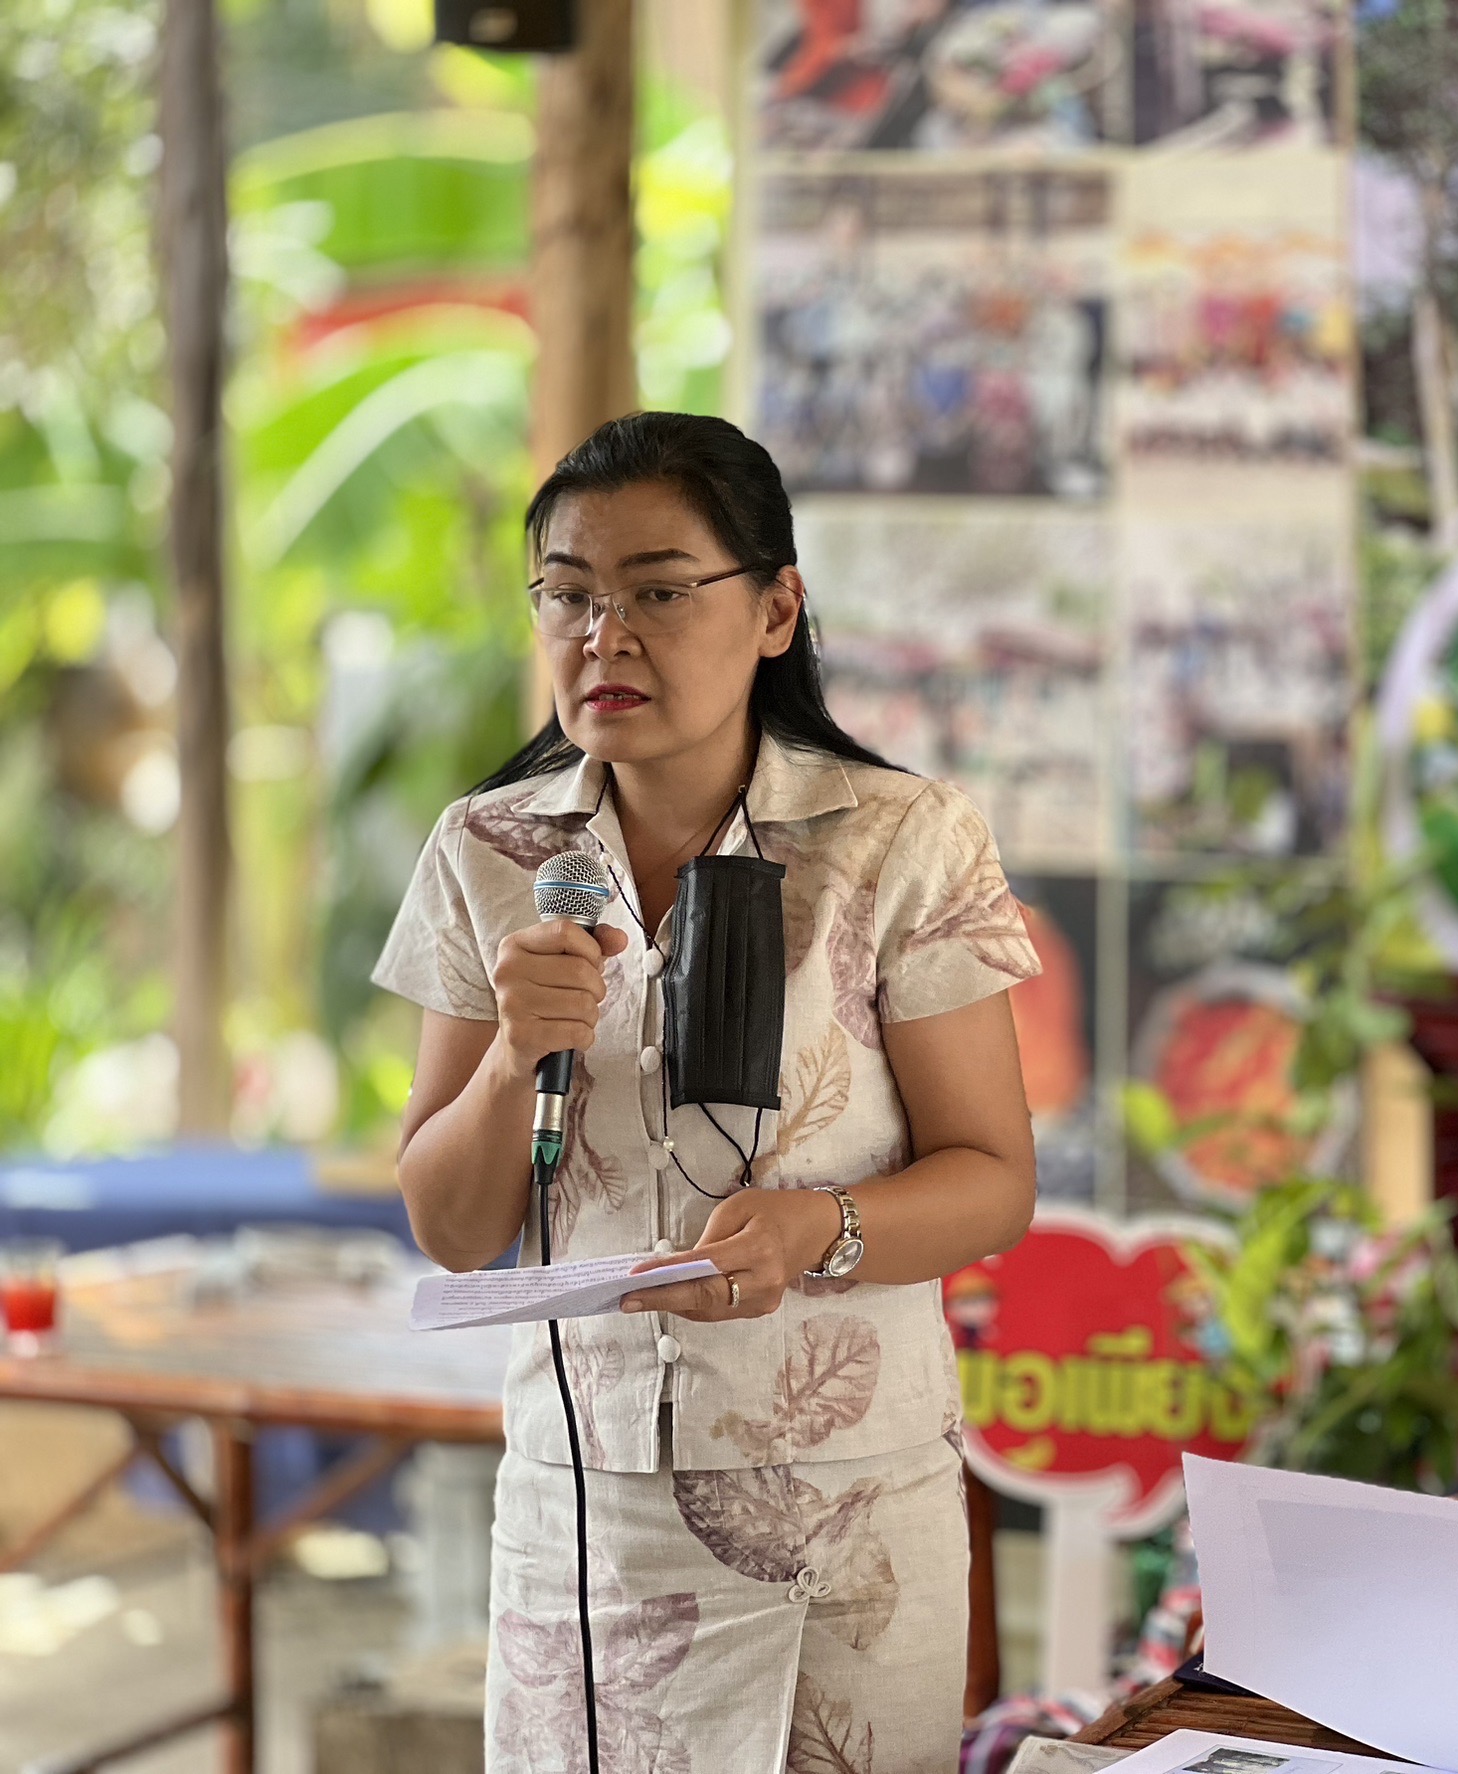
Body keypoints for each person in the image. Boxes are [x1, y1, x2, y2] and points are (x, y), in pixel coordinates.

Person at [375, 412, 1041, 1772]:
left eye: (659, 592)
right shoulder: (490, 849)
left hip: (843, 1516)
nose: (603, 636)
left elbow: (993, 1179)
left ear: (776, 608)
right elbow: (449, 1226)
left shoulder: (899, 840)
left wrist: (817, 1229)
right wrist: (510, 1058)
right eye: (568, 593)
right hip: (582, 1514)